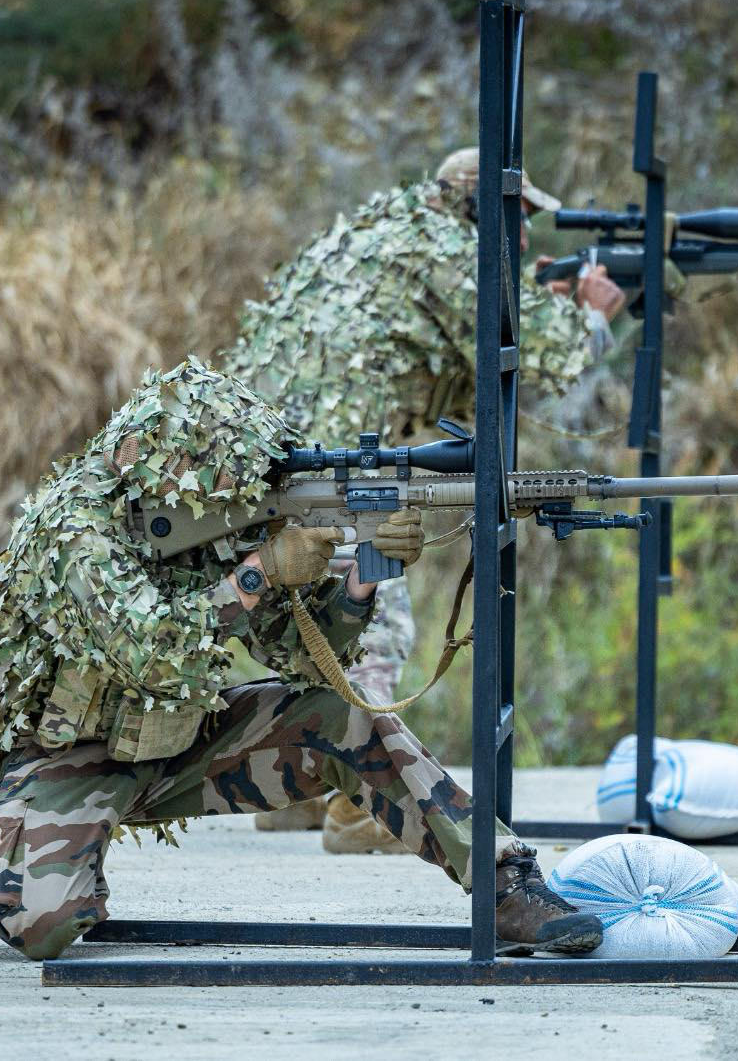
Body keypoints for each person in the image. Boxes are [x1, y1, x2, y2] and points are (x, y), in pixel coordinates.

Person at [0, 357, 604, 961]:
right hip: (69, 757)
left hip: (179, 745)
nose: (234, 501)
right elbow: (156, 656)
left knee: (341, 717)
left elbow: (302, 660)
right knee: (40, 926)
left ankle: (505, 883)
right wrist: (258, 573)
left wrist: (358, 582)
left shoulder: (205, 517)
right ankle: (19, 826)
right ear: (160, 467)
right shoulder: (73, 533)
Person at [222, 147, 646, 848]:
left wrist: (524, 299)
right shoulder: (451, 250)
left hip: (263, 455)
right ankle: (365, 805)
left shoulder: (374, 233)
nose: (526, 235)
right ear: (481, 211)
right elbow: (549, 357)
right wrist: (594, 315)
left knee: (298, 618)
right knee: (371, 619)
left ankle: (297, 789)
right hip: (330, 467)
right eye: (516, 219)